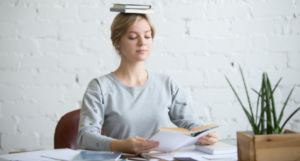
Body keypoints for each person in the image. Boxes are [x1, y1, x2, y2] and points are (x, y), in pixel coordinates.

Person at [77, 13, 219, 154]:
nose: (142, 42)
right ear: (117, 41)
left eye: (147, 36)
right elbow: (85, 137)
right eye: (133, 37)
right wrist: (119, 145)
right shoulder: (99, 87)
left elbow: (192, 125)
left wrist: (205, 135)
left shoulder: (167, 84)